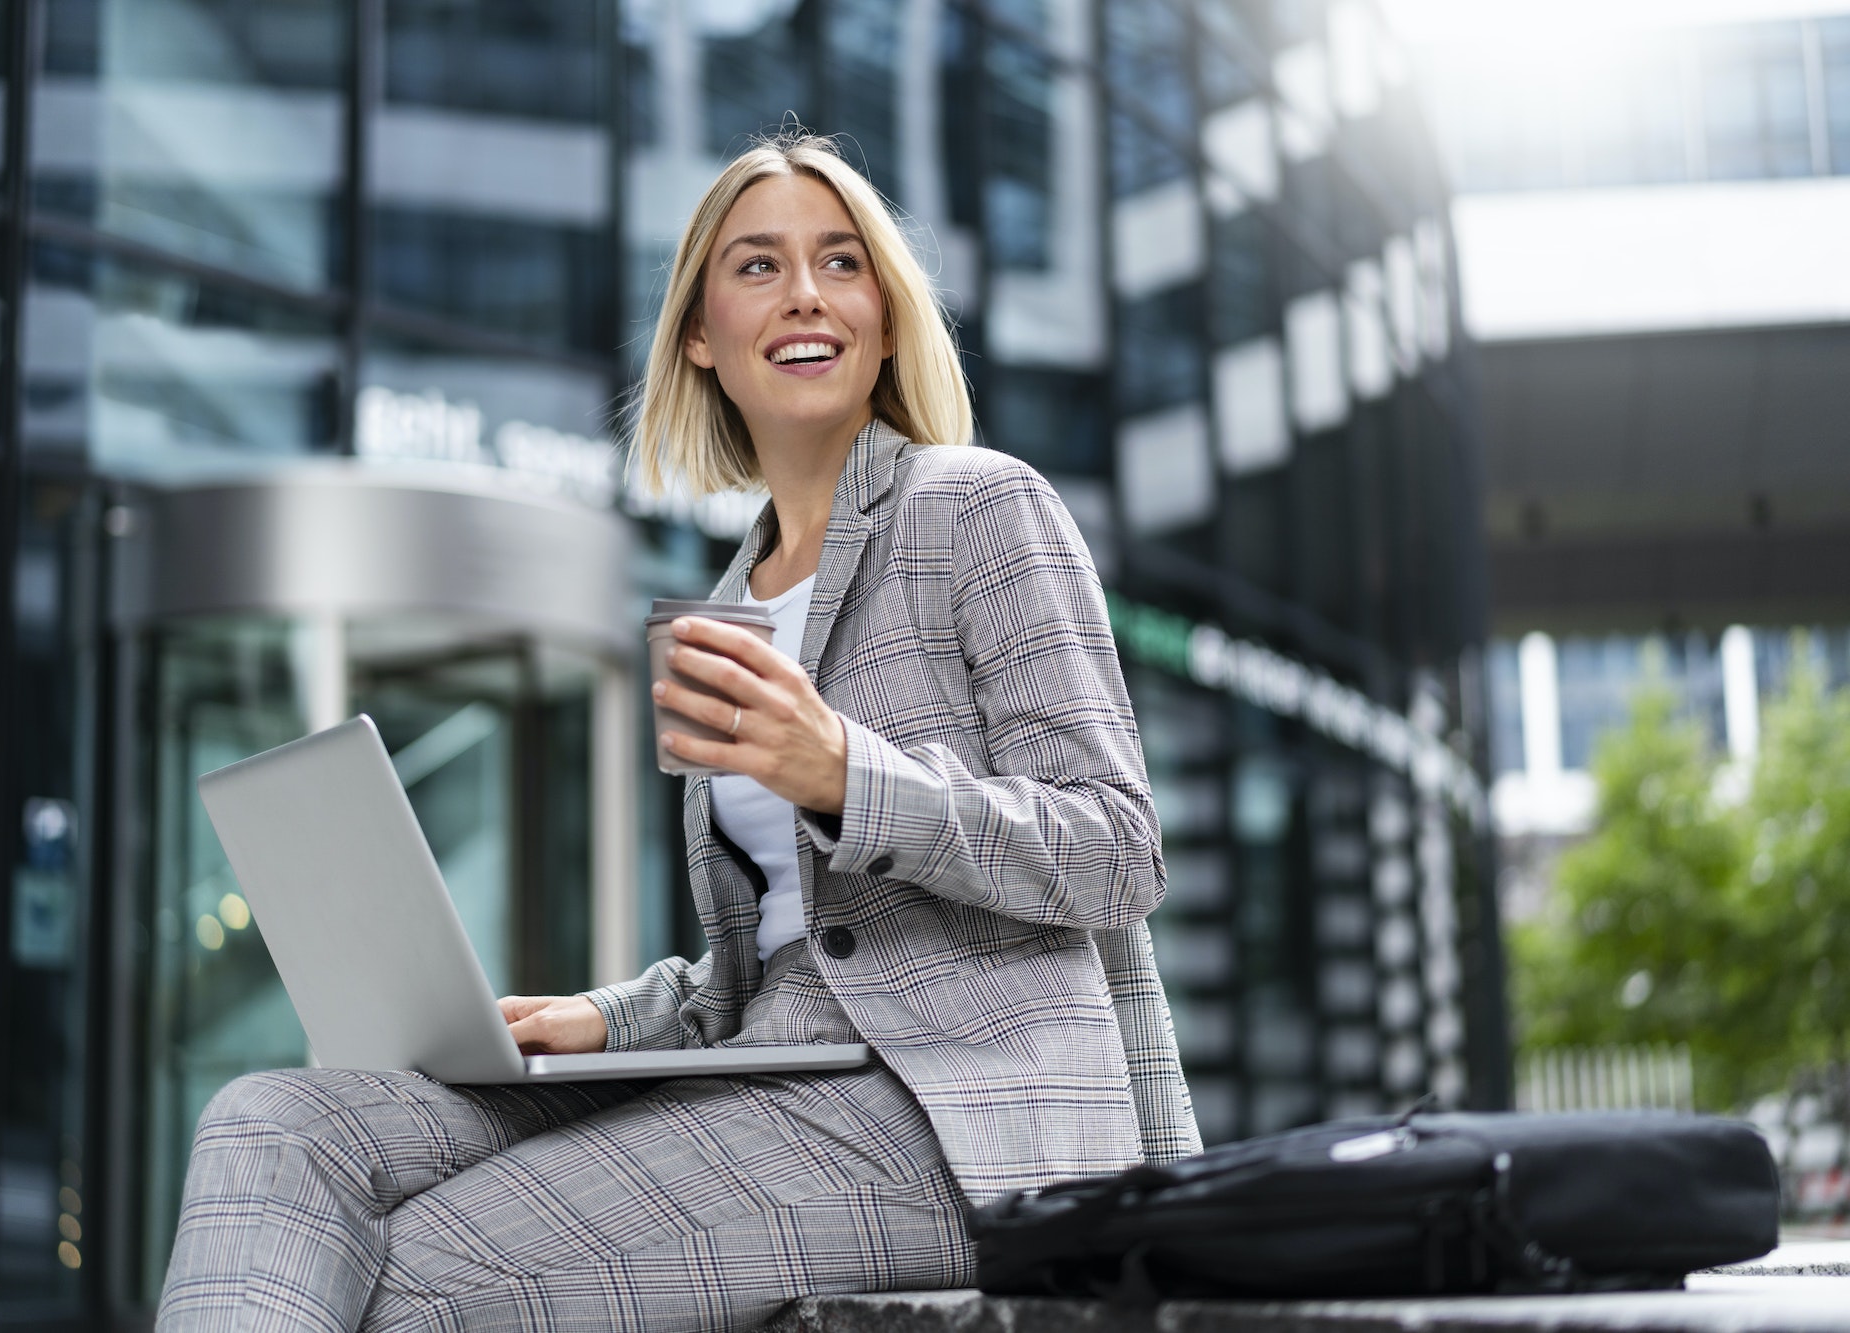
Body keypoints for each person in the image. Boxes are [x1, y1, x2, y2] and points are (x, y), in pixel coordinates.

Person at [157, 132, 1198, 1333]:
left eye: (841, 263)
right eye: (757, 266)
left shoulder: (976, 504)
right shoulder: (722, 608)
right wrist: (607, 1017)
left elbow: (1118, 851)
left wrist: (849, 775)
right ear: (701, 335)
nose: (805, 293)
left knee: (409, 1281)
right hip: (773, 1079)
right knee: (275, 1122)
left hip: (952, 1123)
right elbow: (779, 968)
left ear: (885, 316)